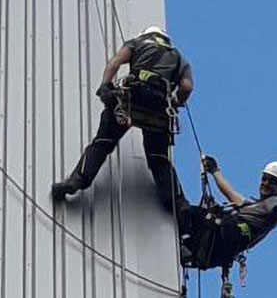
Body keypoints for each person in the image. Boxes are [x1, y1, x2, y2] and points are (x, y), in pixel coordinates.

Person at [49, 26, 194, 211]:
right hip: (158, 110)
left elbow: (115, 62)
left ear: (147, 34)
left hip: (132, 101)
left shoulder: (137, 43)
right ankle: (178, 202)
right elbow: (187, 87)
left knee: (103, 142)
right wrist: (174, 104)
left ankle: (76, 181)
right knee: (159, 158)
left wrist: (105, 87)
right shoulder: (179, 58)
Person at [179, 155, 277, 270]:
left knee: (180, 206)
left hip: (216, 242)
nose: (266, 183)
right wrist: (215, 171)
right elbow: (231, 193)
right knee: (184, 209)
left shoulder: (274, 204)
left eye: (272, 181)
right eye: (264, 178)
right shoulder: (253, 206)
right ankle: (184, 242)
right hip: (211, 243)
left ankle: (184, 238)